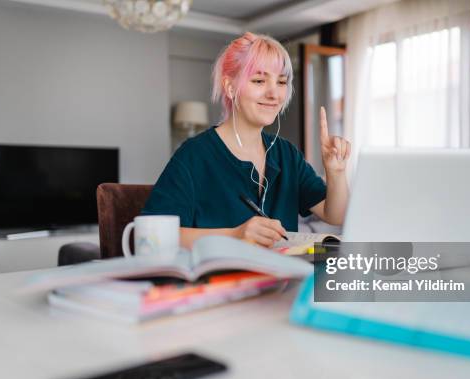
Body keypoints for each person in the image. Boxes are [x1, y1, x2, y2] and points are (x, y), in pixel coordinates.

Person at [142, 32, 350, 248]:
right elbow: (152, 237)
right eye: (259, 80)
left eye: (281, 82)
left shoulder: (286, 154)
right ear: (230, 88)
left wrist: (336, 172)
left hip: (285, 278)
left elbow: (336, 215)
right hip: (219, 280)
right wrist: (235, 235)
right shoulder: (194, 155)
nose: (274, 94)